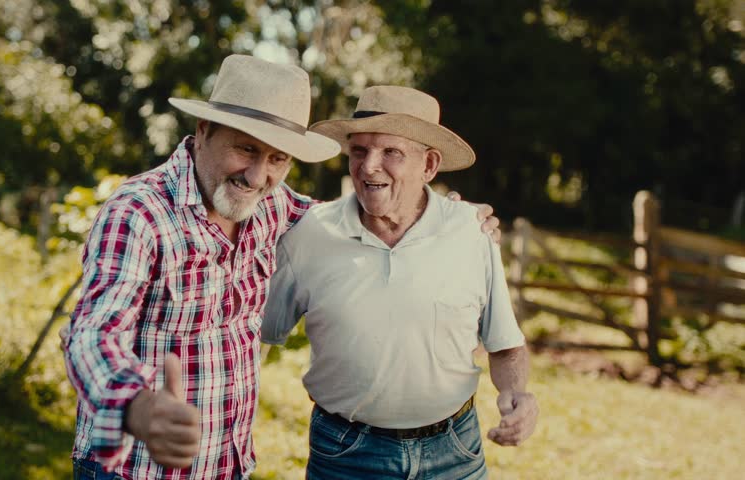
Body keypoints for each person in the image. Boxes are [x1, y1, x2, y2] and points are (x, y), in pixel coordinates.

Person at [63, 55, 501, 479]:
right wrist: (135, 406)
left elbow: (363, 214)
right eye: (246, 149)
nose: (257, 176)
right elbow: (92, 333)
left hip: (226, 465)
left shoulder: (274, 206)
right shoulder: (140, 213)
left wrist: (448, 218)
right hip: (135, 470)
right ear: (203, 131)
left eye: (277, 159)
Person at [262, 86, 538, 479]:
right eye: (359, 151)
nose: (369, 166)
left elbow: (506, 345)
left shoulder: (471, 231)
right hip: (346, 455)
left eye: (391, 152)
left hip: (455, 451)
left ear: (429, 165)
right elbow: (253, 333)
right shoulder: (309, 235)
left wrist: (517, 394)